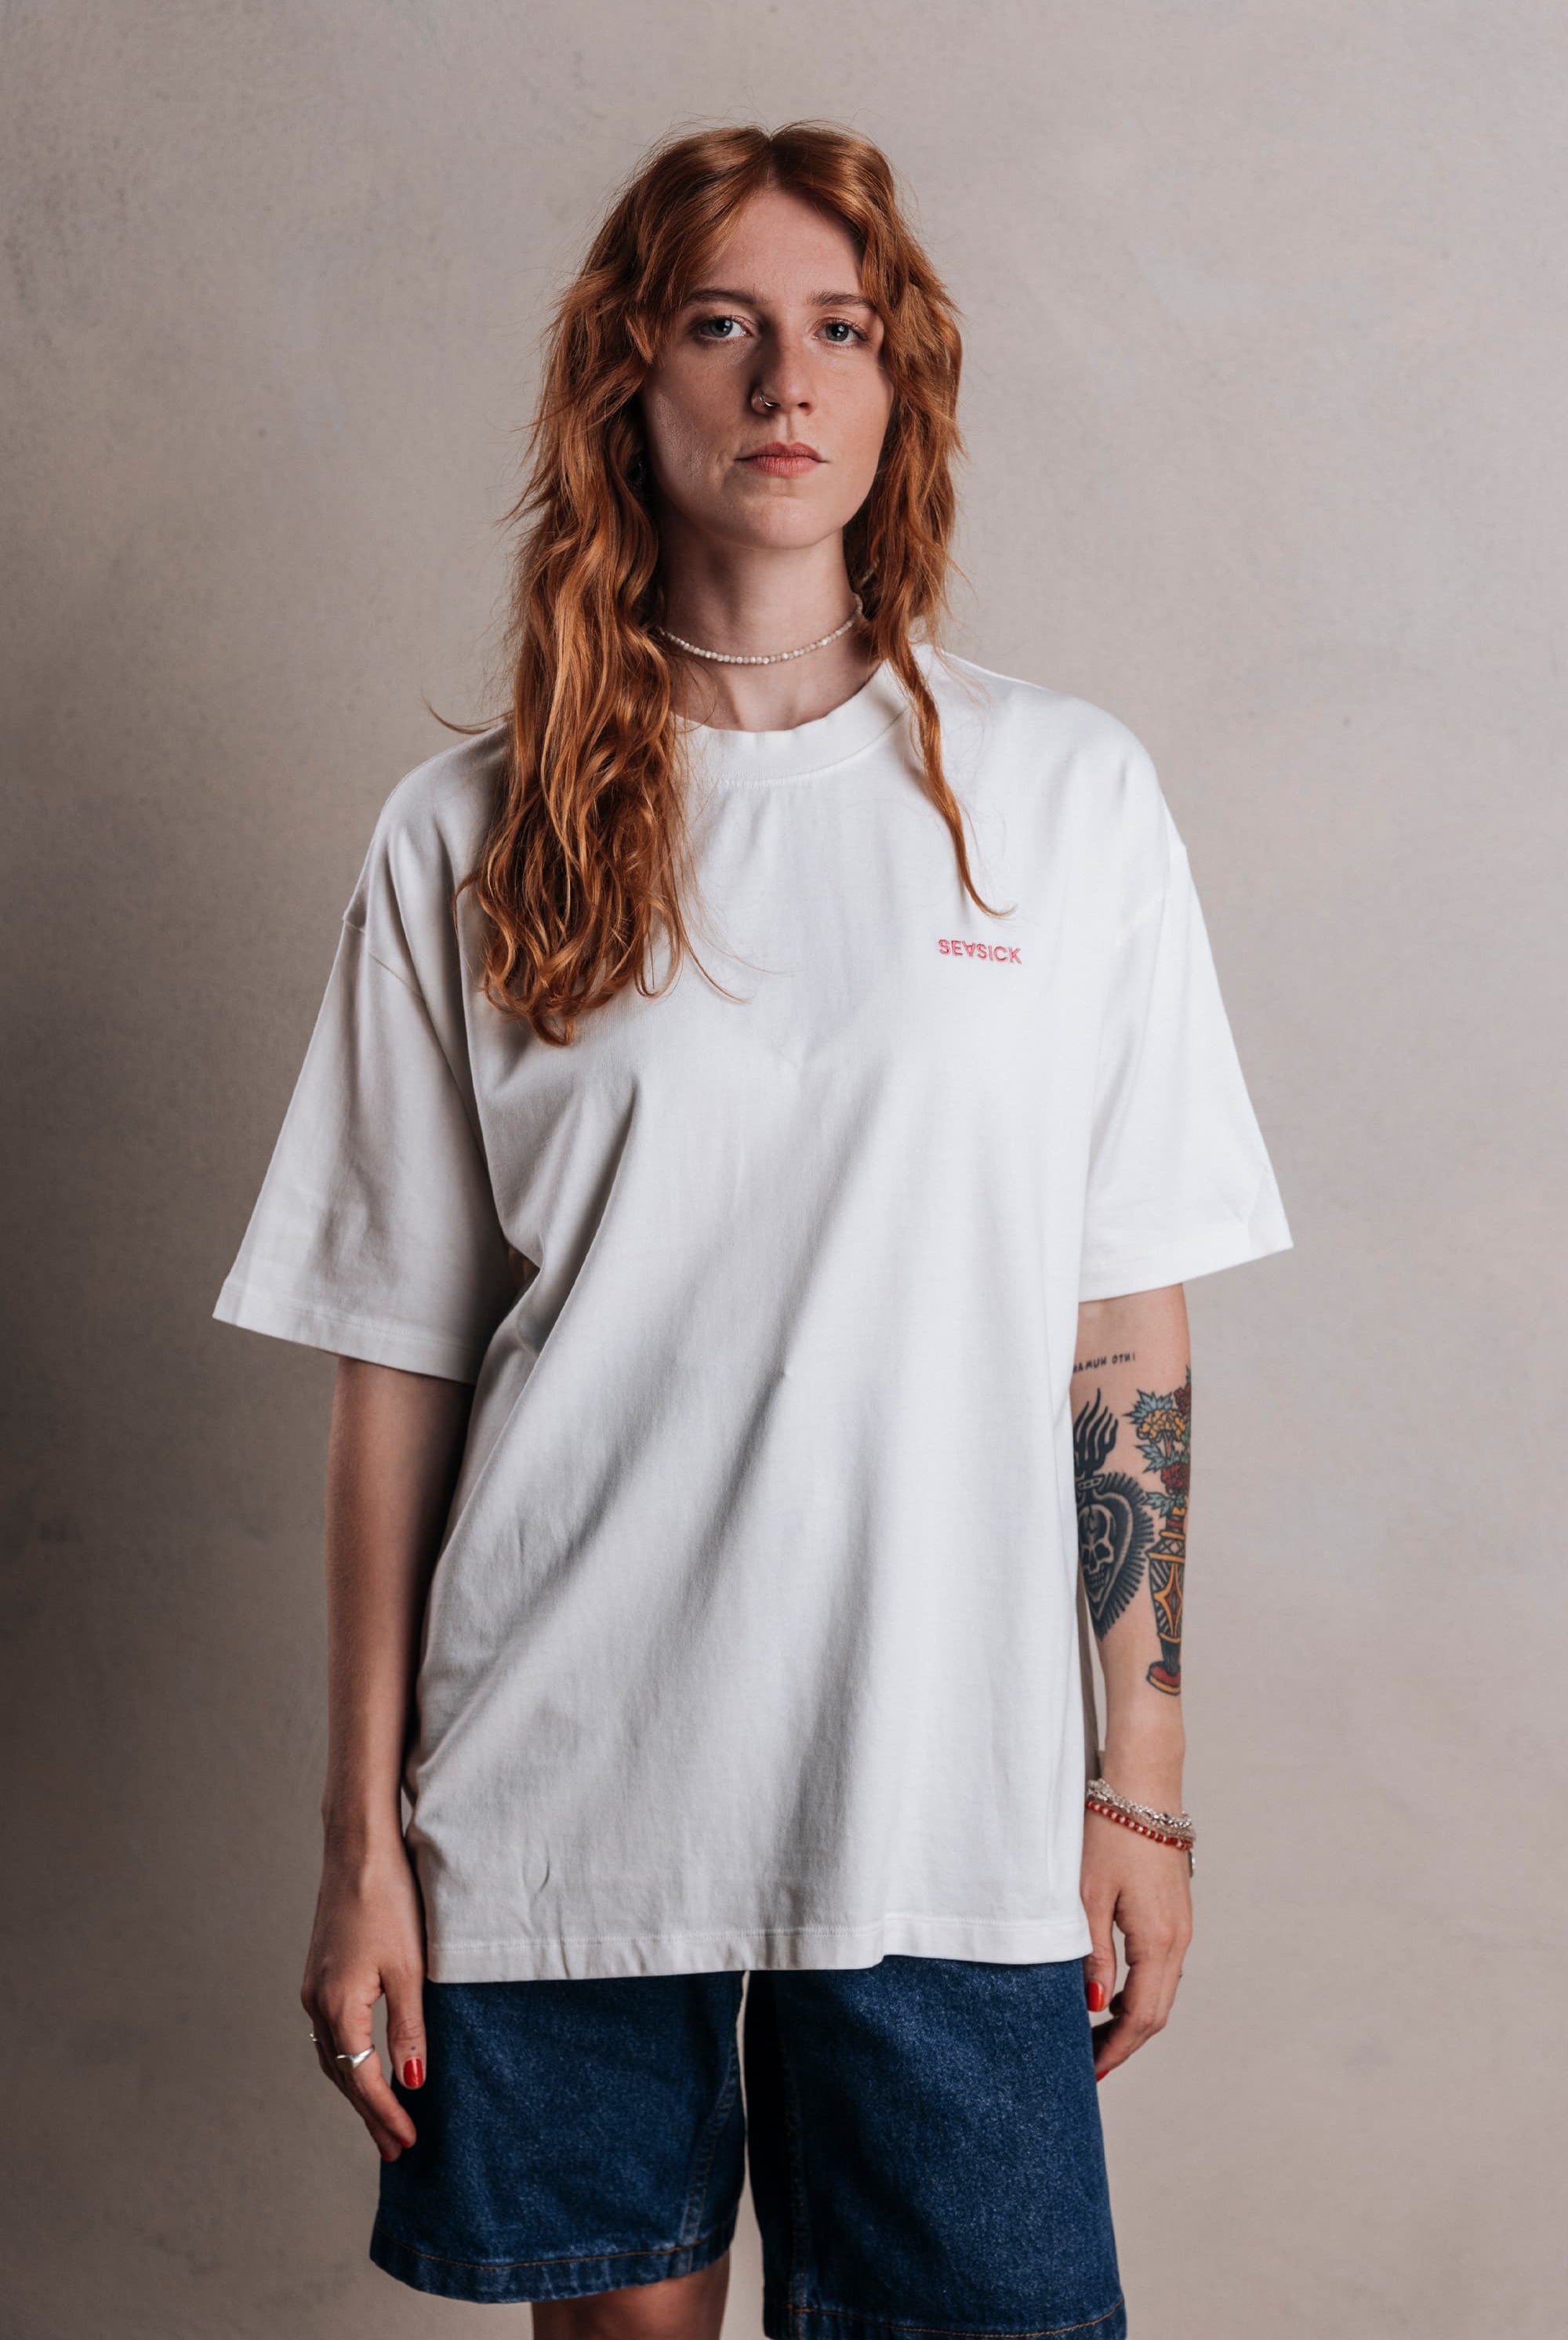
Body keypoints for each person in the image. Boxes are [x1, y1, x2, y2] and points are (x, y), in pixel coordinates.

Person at [213, 120, 1291, 2339]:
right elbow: (395, 1364)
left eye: (841, 328)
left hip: (942, 1790)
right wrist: (358, 1846)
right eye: (722, 324)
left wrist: (1148, 1787)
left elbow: (1122, 1318)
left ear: (901, 391)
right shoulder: (473, 832)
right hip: (564, 1788)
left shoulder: (1063, 801)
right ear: (631, 380)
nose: (786, 378)